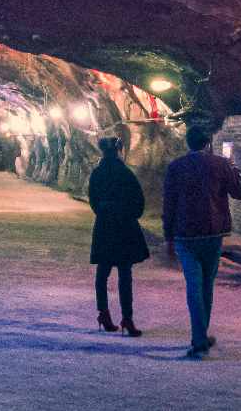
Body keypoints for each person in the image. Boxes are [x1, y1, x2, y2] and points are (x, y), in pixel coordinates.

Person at [163, 126, 241, 360]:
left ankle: (199, 338)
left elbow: (168, 204)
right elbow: (239, 193)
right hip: (213, 233)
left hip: (185, 234)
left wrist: (168, 237)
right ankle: (200, 336)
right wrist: (235, 172)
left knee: (194, 286)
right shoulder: (220, 164)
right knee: (207, 285)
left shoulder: (176, 167)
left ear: (187, 143)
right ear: (208, 142)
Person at [88, 137, 149, 337]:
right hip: (124, 228)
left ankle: (103, 314)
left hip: (105, 227)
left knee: (102, 273)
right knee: (125, 275)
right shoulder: (125, 173)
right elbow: (139, 202)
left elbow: (94, 202)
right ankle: (127, 318)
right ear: (118, 151)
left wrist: (105, 212)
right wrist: (128, 214)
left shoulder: (97, 174)